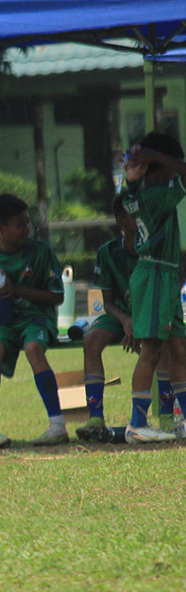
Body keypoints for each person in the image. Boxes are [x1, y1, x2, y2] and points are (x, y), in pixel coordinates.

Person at [0, 193, 68, 448]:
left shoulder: (41, 252)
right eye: (20, 224)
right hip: (0, 321)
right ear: (0, 228)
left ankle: (57, 425)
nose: (27, 228)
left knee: (33, 347)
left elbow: (57, 296)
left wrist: (16, 290)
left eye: (28, 222)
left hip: (36, 318)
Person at [120, 132, 186, 443]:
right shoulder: (157, 195)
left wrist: (140, 167)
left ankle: (183, 419)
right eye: (170, 165)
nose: (175, 169)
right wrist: (155, 156)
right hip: (156, 275)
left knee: (179, 349)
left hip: (166, 275)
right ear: (157, 168)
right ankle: (136, 423)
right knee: (151, 350)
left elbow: (128, 190)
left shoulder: (137, 191)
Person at [75, 194, 139, 442]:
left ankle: (161, 418)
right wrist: (125, 321)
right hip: (120, 314)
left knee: (161, 344)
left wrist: (139, 323)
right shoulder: (108, 252)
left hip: (149, 312)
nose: (140, 219)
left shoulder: (155, 247)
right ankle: (95, 418)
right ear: (120, 219)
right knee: (91, 340)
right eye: (134, 214)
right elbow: (108, 302)